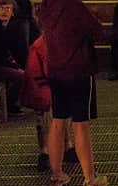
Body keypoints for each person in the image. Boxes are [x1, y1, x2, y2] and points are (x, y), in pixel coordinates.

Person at [38, 0, 108, 186]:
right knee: (81, 124)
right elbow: (97, 31)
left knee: (58, 122)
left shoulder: (45, 7)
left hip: (56, 70)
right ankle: (89, 179)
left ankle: (57, 176)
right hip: (78, 71)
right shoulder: (74, 7)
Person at [21, 35, 78, 171]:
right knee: (49, 113)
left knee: (63, 107)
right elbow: (36, 75)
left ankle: (65, 145)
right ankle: (45, 151)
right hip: (44, 88)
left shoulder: (60, 43)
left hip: (55, 85)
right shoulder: (40, 46)